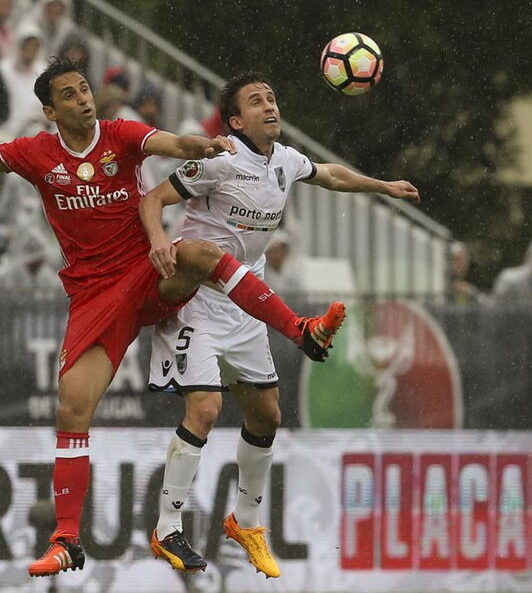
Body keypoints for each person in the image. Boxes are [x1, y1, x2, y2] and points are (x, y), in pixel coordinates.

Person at [0, 57, 347, 578]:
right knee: (72, 408)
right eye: (69, 94)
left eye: (85, 89)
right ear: (50, 111)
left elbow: (172, 144)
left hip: (147, 271)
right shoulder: (35, 153)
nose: (83, 99)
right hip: (94, 295)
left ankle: (299, 329)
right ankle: (67, 539)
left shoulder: (121, 133)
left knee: (200, 254)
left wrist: (201, 146)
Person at [142, 71, 420, 578]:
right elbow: (152, 198)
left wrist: (382, 186)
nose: (270, 105)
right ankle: (167, 527)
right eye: (256, 101)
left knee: (267, 416)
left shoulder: (285, 161)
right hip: (198, 300)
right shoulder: (220, 161)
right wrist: (160, 240)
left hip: (246, 305)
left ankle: (245, 522)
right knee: (205, 409)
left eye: (271, 97)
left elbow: (331, 175)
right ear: (234, 121)